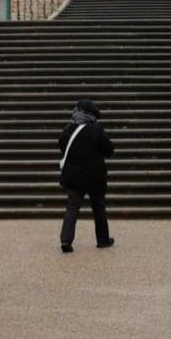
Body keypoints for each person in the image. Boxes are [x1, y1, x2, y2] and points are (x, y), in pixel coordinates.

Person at [58, 99, 114, 253]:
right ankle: (103, 240)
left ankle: (66, 240)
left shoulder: (70, 128)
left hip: (75, 176)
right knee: (98, 208)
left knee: (72, 208)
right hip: (95, 176)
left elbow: (61, 144)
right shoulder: (96, 130)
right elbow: (109, 150)